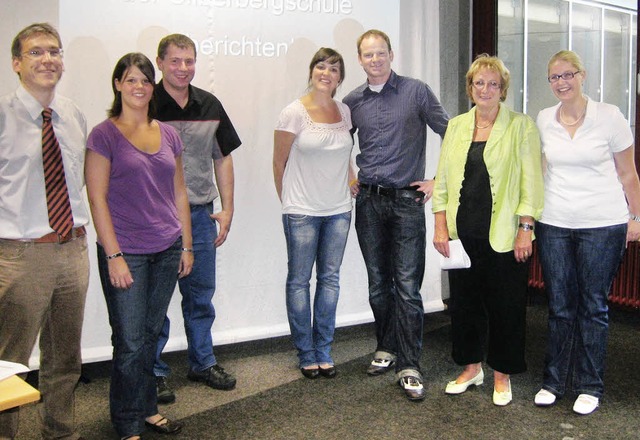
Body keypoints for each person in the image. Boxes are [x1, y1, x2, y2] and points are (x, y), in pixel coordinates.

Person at [85, 52, 193, 439]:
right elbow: (97, 198)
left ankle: (146, 408)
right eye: (131, 79)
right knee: (129, 341)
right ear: (118, 84)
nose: (139, 87)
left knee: (150, 336)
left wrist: (187, 245)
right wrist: (113, 256)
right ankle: (127, 420)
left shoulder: (168, 134)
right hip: (125, 251)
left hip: (166, 248)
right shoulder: (104, 134)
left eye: (146, 80)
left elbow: (179, 191)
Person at [342, 29, 449, 401]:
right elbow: (334, 143)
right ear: (360, 60)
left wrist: (439, 179)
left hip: (406, 202)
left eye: (380, 53)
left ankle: (410, 364)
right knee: (377, 283)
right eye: (368, 55)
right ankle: (385, 347)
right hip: (369, 202)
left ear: (391, 54)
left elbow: (451, 131)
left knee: (406, 287)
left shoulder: (416, 91)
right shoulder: (352, 100)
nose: (375, 60)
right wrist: (350, 176)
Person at [432, 54, 544, 407]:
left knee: (506, 307)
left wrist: (526, 227)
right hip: (462, 233)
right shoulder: (456, 126)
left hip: (505, 234)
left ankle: (501, 374)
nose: (485, 89)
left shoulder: (520, 125)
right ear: (470, 88)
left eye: (493, 83)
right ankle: (470, 368)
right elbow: (443, 182)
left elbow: (532, 181)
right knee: (464, 305)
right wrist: (440, 226)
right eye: (479, 83)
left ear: (503, 89)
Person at [533, 50, 640, 415]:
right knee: (560, 306)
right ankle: (553, 380)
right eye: (554, 77)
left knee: (593, 306)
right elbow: (542, 170)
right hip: (556, 223)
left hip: (603, 224)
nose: (561, 82)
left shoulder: (609, 116)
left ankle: (589, 386)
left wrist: (636, 218)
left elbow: (628, 174)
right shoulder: (544, 118)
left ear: (582, 76)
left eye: (568, 75)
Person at [0, 23, 90, 440]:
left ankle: (61, 432)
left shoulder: (72, 114)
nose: (48, 59)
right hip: (21, 255)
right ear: (17, 63)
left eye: (54, 51)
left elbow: (77, 183)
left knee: (65, 358)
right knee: (9, 364)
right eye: (36, 52)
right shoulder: (2, 115)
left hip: (72, 249)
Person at [153, 33, 241, 404]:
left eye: (189, 61)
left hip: (201, 214)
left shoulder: (210, 103)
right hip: (155, 218)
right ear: (160, 63)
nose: (183, 68)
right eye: (175, 61)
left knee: (201, 295)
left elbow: (222, 157)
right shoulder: (144, 102)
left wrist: (228, 207)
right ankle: (154, 371)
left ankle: (202, 362)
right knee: (154, 301)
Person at [273, 47, 354, 379]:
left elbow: (345, 152)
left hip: (338, 210)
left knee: (330, 281)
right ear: (311, 71)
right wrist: (289, 201)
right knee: (299, 281)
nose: (326, 72)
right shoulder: (293, 112)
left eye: (334, 69)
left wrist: (351, 177)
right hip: (302, 211)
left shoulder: (345, 111)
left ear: (339, 79)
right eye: (321, 66)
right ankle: (305, 351)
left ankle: (324, 348)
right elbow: (278, 162)